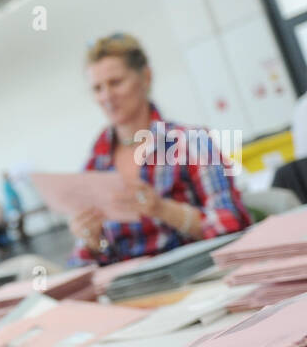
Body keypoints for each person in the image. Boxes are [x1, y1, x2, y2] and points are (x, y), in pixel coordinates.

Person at [68, 33, 252, 266]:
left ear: (145, 77)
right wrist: (91, 241)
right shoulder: (93, 166)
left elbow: (232, 225)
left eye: (115, 83)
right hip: (130, 289)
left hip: (197, 277)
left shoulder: (191, 142)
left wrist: (163, 209)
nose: (106, 96)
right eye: (97, 88)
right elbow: (80, 264)